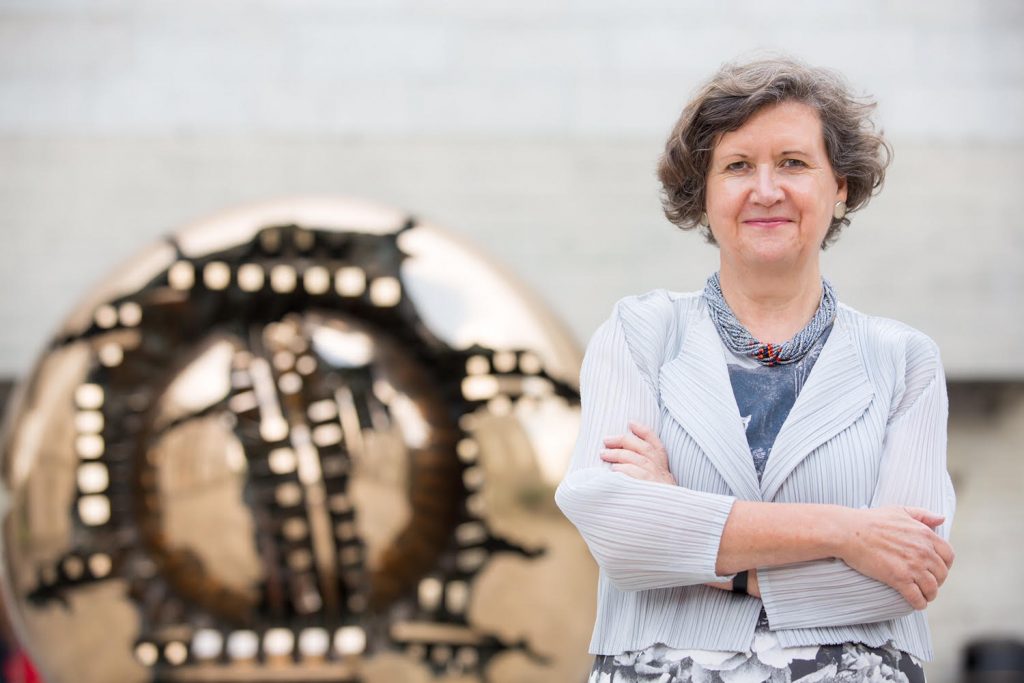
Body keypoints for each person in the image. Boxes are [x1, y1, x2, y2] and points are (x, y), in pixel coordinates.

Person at [555, 56, 956, 682]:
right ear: (704, 192)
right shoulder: (640, 334)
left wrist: (682, 524)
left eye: (793, 163)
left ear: (840, 184)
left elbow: (906, 574)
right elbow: (621, 536)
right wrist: (845, 532)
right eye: (738, 166)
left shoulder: (904, 360)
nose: (766, 190)